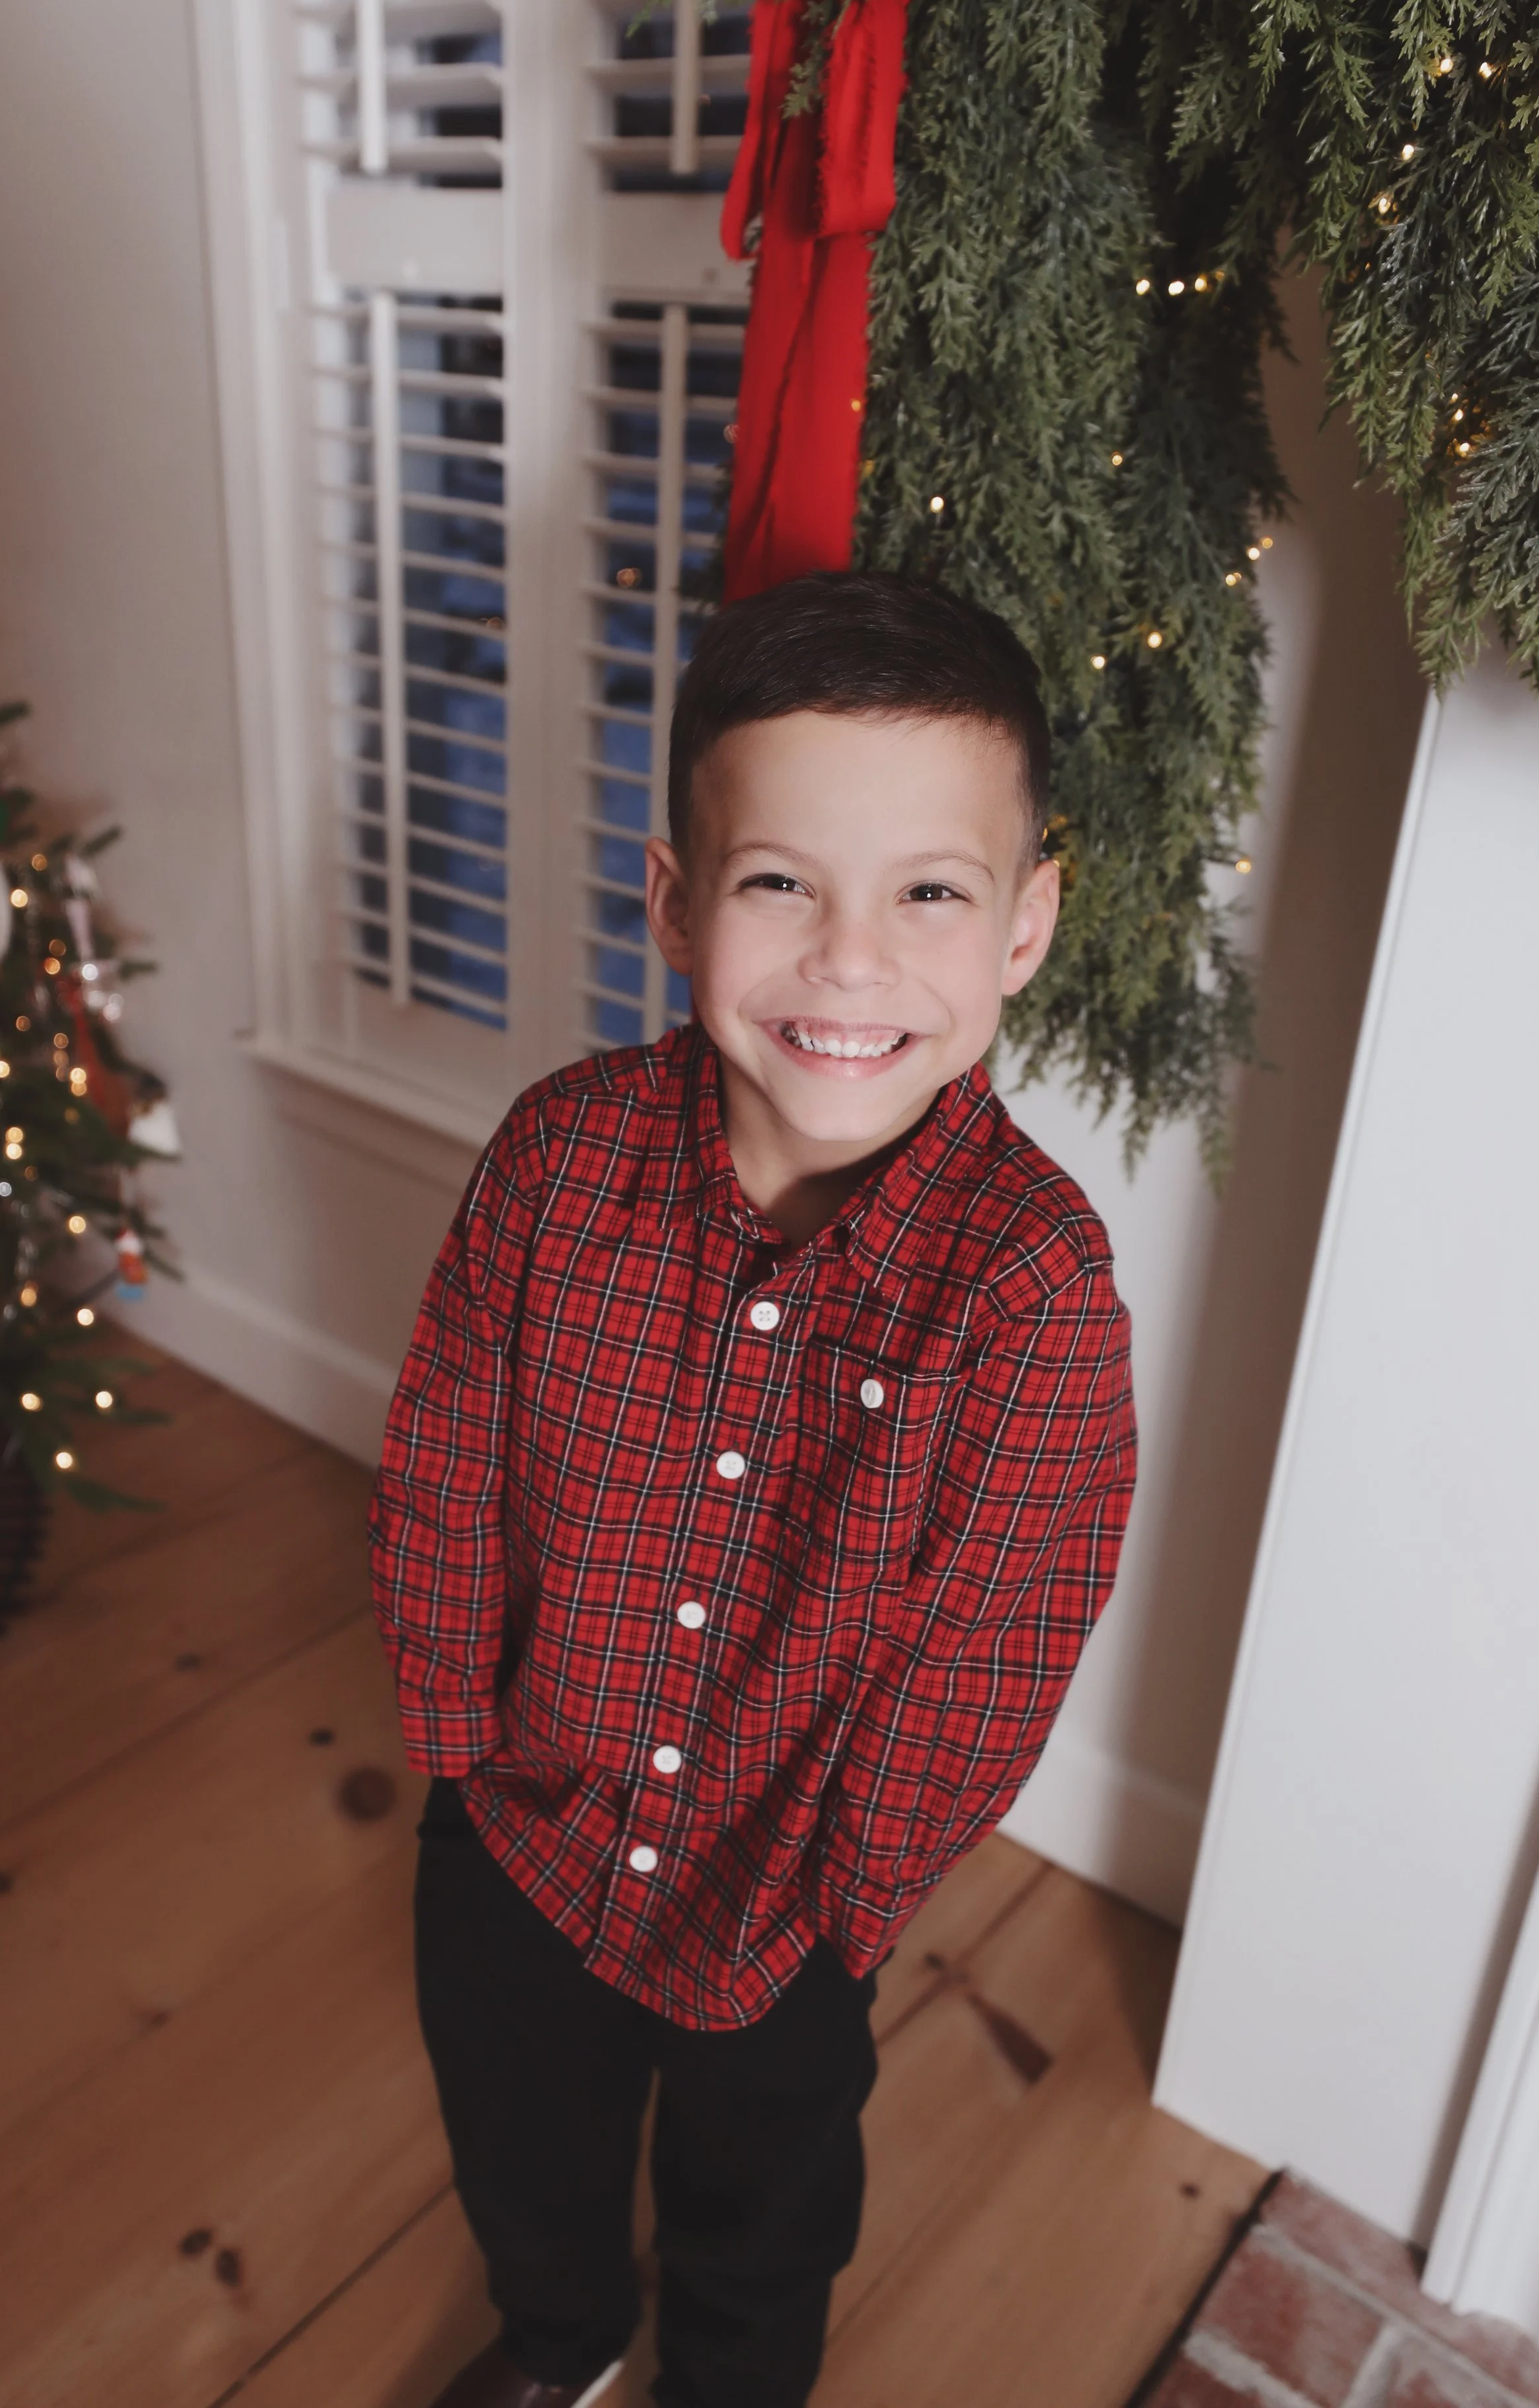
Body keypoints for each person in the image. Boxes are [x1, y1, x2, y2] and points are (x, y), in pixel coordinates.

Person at [369, 571, 1137, 2408]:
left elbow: (995, 1635)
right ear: (675, 900)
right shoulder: (560, 1159)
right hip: (520, 1828)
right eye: (781, 880)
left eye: (927, 893)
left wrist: (847, 1897)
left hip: (777, 1906)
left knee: (764, 2213)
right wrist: (454, 1740)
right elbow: (447, 1455)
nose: (849, 962)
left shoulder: (1029, 1286)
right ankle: (559, 2342)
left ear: (1024, 924)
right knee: (522, 2152)